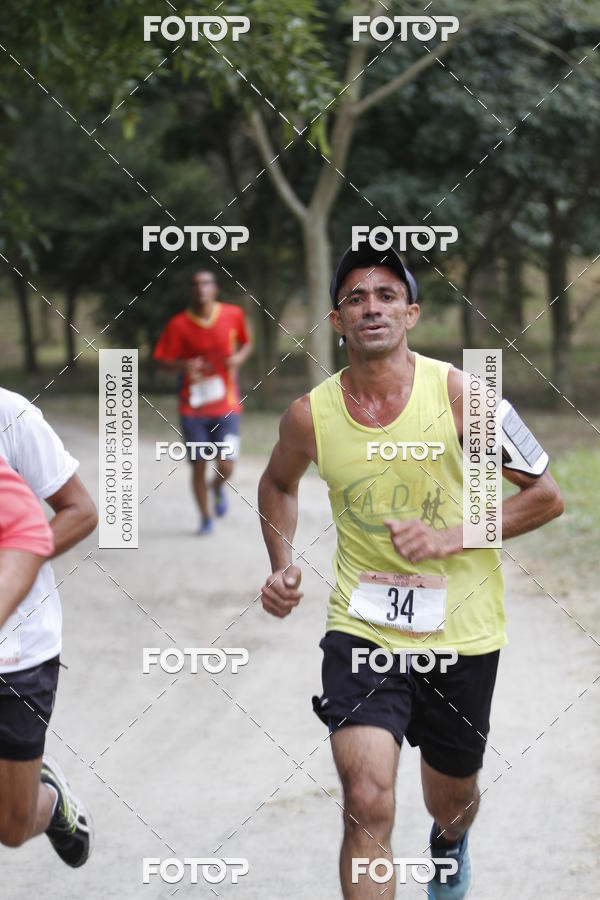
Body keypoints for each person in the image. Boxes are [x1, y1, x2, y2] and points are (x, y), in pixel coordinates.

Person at [258, 242, 563, 899]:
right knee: (367, 798)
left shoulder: (462, 398)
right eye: (356, 297)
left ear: (412, 314)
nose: (372, 307)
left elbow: (545, 495)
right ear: (337, 321)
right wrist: (281, 564)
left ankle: (449, 845)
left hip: (463, 633)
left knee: (449, 800)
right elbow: (277, 484)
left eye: (387, 295)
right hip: (363, 630)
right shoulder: (311, 415)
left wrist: (452, 536)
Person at [0, 387, 98, 866]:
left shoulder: (10, 414)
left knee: (11, 826)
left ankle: (52, 800)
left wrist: (11, 564)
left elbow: (81, 511)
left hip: (18, 651)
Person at [154, 270, 252, 534]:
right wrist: (183, 366)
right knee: (199, 465)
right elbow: (161, 361)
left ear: (215, 289)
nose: (201, 288)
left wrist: (239, 359)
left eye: (206, 283)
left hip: (227, 406)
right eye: (195, 284)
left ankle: (218, 487)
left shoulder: (233, 315)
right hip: (193, 408)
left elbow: (246, 343)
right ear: (191, 291)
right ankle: (206, 517)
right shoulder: (178, 325)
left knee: (226, 463)